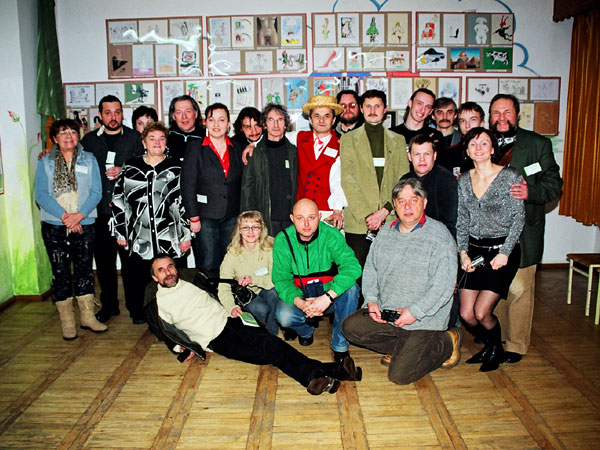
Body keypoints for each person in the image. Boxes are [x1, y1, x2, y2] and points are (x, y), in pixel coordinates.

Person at [145, 255, 362, 395]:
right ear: (155, 277)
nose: (168, 272)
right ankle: (331, 371)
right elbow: (164, 333)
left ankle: (317, 376)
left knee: (271, 348)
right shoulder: (158, 305)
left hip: (233, 319)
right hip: (216, 338)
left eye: (170, 266)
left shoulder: (192, 279)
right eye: (161, 270)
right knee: (270, 351)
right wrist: (181, 348)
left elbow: (219, 283)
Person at [342, 179, 461, 385]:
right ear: (394, 206)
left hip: (423, 320)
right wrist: (371, 300)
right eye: (401, 201)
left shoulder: (440, 236)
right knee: (350, 327)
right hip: (389, 314)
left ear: (424, 202)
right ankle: (404, 348)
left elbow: (444, 287)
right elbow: (371, 270)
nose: (407, 207)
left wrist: (415, 312)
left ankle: (446, 342)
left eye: (413, 200)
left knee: (400, 376)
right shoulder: (385, 232)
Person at [488, 94, 563, 364]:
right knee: (496, 289)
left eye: (507, 112)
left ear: (518, 115)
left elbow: (554, 184)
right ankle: (498, 337)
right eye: (496, 113)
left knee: (519, 289)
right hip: (490, 233)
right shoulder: (483, 142)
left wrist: (530, 192)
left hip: (524, 232)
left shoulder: (537, 144)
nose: (502, 118)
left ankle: (516, 345)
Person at [457, 127, 525, 372]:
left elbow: (518, 219)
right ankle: (491, 345)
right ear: (467, 151)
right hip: (474, 251)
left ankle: (495, 349)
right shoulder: (464, 180)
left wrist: (504, 253)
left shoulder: (510, 177)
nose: (479, 148)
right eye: (473, 144)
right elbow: (462, 220)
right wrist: (462, 253)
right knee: (466, 314)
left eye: (484, 143)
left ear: (493, 148)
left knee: (482, 312)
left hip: (501, 251)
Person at [111, 121, 191, 323]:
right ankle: (140, 313)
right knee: (137, 276)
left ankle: (173, 315)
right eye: (152, 138)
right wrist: (121, 231)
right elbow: (119, 200)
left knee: (172, 276)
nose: (157, 142)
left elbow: (184, 202)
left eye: (161, 138)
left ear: (166, 142)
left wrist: (185, 235)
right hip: (139, 234)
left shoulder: (176, 167)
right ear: (144, 143)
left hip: (169, 235)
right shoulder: (130, 166)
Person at [35, 119, 107, 340]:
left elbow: (96, 191)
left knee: (84, 270)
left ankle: (87, 317)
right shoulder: (45, 162)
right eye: (63, 132)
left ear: (78, 136)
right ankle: (67, 322)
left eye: (73, 132)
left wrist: (79, 215)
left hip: (84, 223)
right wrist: (65, 217)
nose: (68, 136)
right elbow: (41, 194)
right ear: (54, 138)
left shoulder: (89, 159)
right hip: (54, 224)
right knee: (61, 272)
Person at [272, 199, 362, 363]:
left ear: (319, 217)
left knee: (352, 290)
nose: (306, 224)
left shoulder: (331, 235)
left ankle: (340, 346)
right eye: (300, 218)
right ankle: (306, 331)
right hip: (300, 294)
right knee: (284, 317)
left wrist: (328, 297)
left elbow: (352, 267)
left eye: (311, 217)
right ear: (292, 219)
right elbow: (281, 280)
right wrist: (301, 304)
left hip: (328, 293)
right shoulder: (282, 240)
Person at [80, 95, 144, 323]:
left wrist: (124, 169)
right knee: (104, 263)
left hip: (128, 212)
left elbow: (145, 167)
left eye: (117, 112)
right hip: (99, 212)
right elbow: (74, 162)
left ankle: (136, 308)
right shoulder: (89, 141)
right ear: (100, 115)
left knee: (131, 264)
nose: (113, 117)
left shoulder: (134, 138)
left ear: (122, 114)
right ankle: (109, 306)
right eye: (108, 113)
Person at [340, 89, 409, 268]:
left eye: (377, 106)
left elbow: (404, 181)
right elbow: (347, 179)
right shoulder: (348, 140)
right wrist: (368, 215)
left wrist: (385, 210)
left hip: (390, 218)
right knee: (358, 273)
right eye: (368, 106)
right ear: (361, 109)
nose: (372, 110)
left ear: (385, 109)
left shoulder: (398, 140)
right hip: (359, 221)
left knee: (389, 271)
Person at [181, 103, 243, 273]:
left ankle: (225, 291)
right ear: (205, 122)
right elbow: (187, 184)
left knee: (229, 261)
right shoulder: (195, 148)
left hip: (231, 215)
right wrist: (193, 216)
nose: (216, 125)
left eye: (221, 120)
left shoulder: (237, 148)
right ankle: (207, 291)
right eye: (211, 120)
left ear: (228, 123)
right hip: (204, 217)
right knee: (208, 262)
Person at [218, 210, 280, 335]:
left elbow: (276, 278)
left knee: (274, 294)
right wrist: (231, 307)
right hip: (245, 294)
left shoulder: (270, 246)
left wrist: (254, 280)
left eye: (255, 227)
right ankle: (255, 334)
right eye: (245, 227)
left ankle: (271, 332)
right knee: (260, 309)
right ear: (239, 230)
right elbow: (223, 285)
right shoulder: (233, 253)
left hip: (266, 286)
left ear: (261, 229)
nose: (250, 232)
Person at [241, 104, 297, 236]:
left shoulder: (294, 152)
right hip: (264, 218)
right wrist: (249, 219)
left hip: (291, 219)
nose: (276, 125)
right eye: (271, 120)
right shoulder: (254, 153)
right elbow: (247, 188)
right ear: (264, 124)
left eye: (280, 119)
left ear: (286, 124)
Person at [297, 95, 346, 229]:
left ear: (334, 120)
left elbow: (339, 181)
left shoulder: (341, 145)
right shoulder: (300, 138)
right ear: (310, 119)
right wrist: (253, 144)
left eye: (327, 116)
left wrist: (337, 210)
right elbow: (275, 136)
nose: (322, 120)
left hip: (328, 212)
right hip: (302, 211)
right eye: (317, 116)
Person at [401, 134, 457, 238]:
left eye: (427, 154)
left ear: (434, 156)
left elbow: (449, 224)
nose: (422, 159)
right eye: (417, 154)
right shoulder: (405, 180)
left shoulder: (446, 180)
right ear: (409, 157)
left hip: (438, 239)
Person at [439, 102, 485, 177]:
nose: (467, 125)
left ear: (481, 123)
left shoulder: (489, 151)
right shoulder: (449, 154)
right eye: (463, 121)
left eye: (473, 119)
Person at [390, 88, 444, 152]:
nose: (423, 110)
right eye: (419, 103)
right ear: (410, 103)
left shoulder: (435, 137)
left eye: (428, 107)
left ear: (430, 111)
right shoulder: (391, 134)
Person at [167, 95, 205, 162]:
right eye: (179, 112)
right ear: (173, 116)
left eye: (188, 111)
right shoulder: (165, 138)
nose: (184, 116)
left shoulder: (207, 138)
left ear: (196, 114)